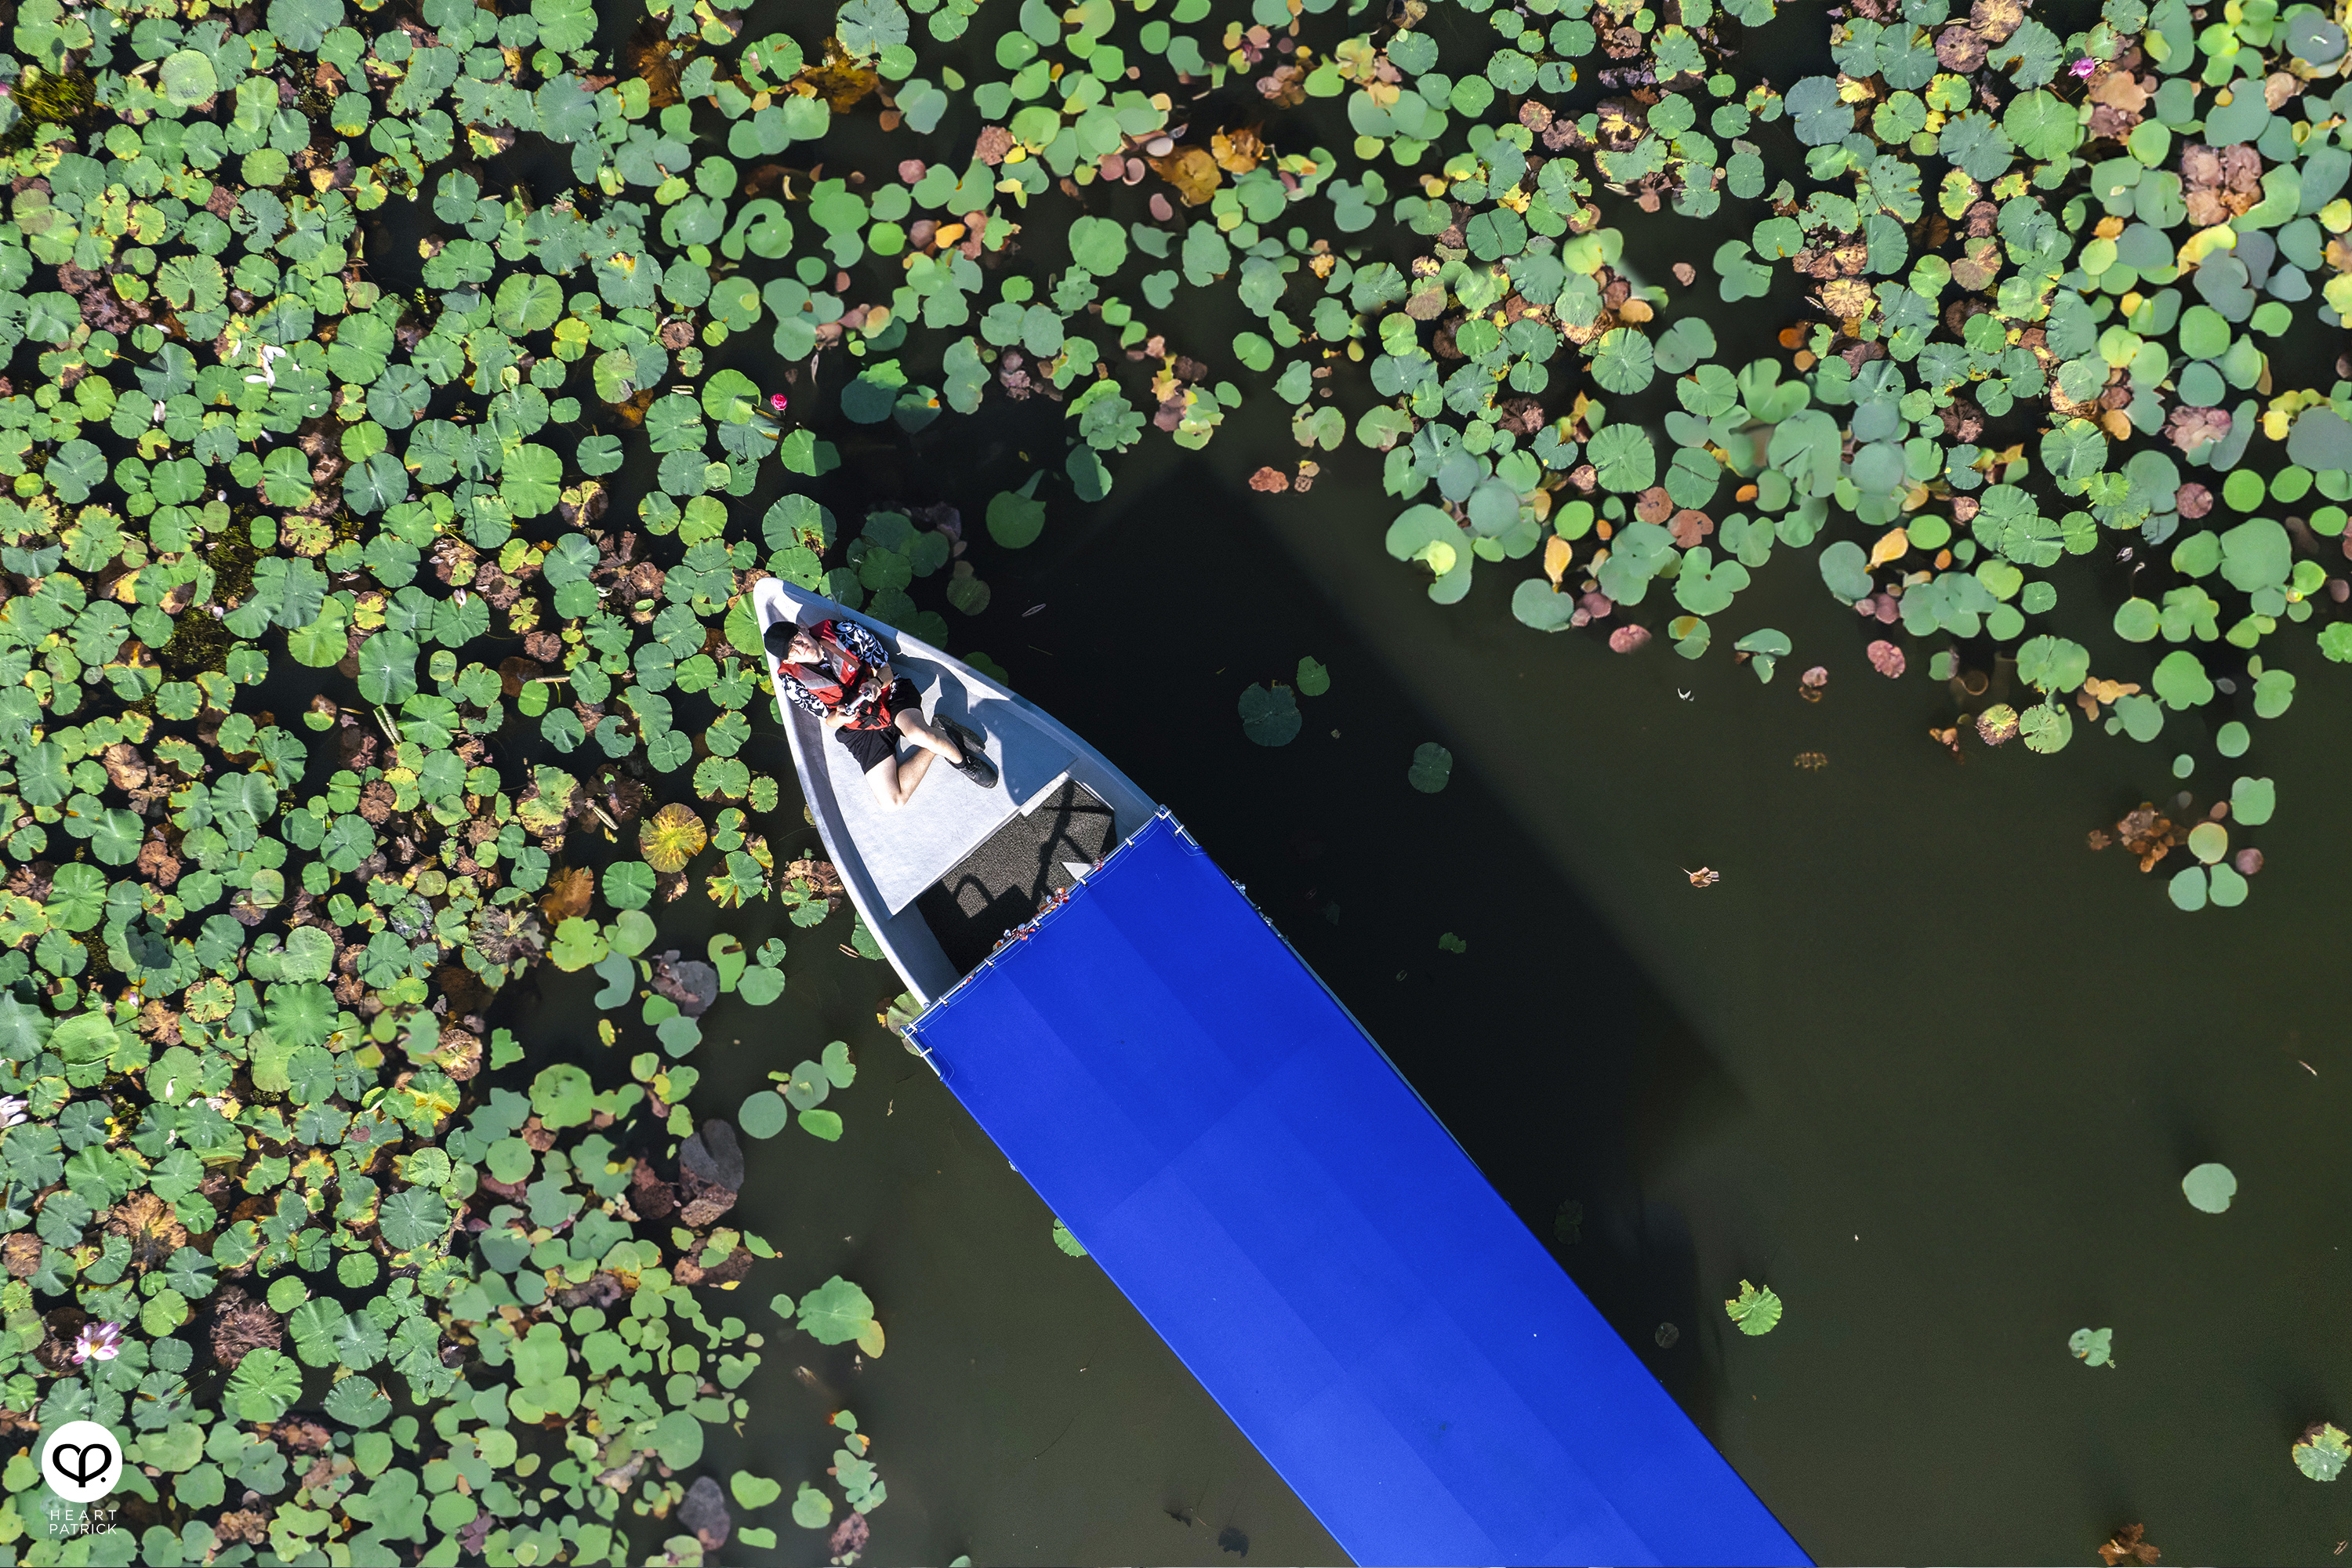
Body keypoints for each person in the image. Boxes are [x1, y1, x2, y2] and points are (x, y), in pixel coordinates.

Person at [766, 615, 997, 806]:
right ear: (789, 660)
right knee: (892, 802)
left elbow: (884, 669)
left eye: (796, 638)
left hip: (889, 694)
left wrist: (877, 684)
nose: (800, 647)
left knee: (918, 734)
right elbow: (827, 718)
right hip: (860, 727)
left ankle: (963, 763)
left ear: (803, 628)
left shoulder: (843, 631)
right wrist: (841, 716)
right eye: (791, 651)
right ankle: (944, 735)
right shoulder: (792, 682)